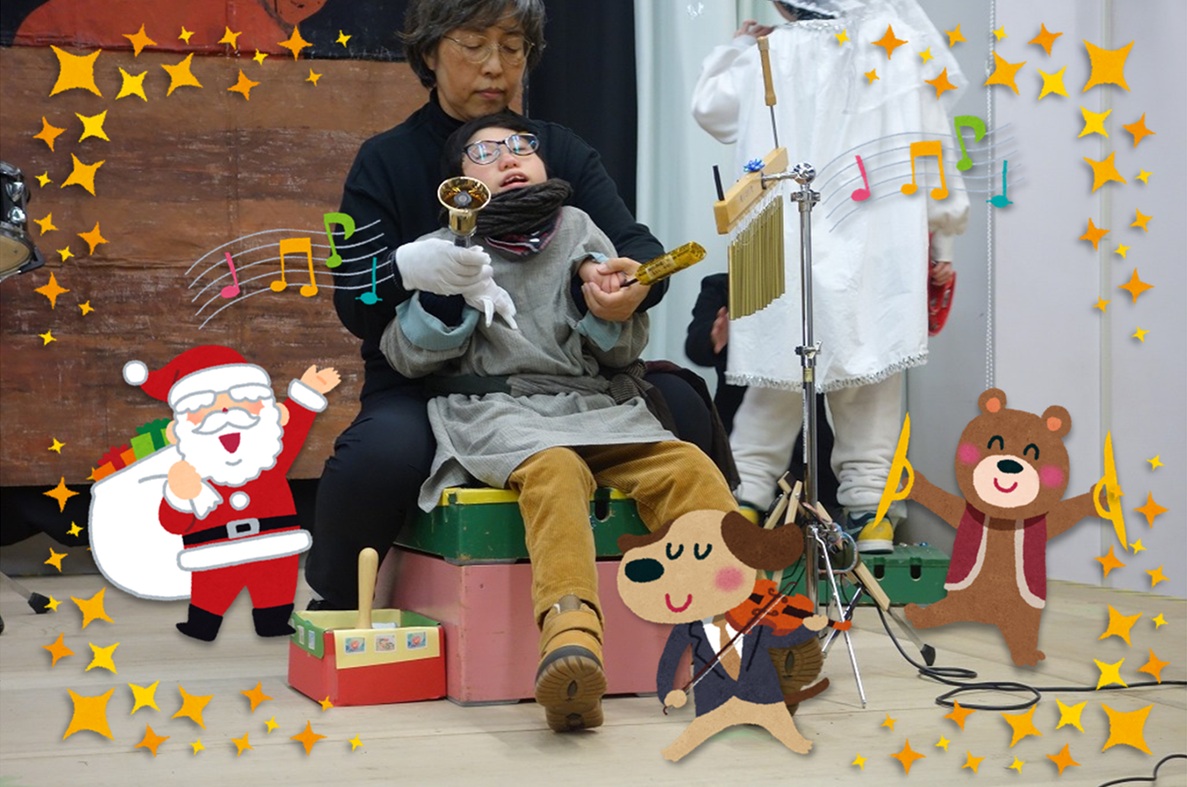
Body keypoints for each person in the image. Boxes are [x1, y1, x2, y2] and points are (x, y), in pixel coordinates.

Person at [306, 0, 717, 611]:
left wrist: (633, 287)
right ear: (428, 52)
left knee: (684, 404)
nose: (496, 66)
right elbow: (356, 300)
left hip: (570, 374)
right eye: (474, 45)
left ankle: (688, 594)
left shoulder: (557, 149)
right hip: (433, 379)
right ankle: (343, 602)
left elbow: (636, 247)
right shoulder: (387, 160)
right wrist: (414, 274)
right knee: (383, 455)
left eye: (512, 46)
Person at [382, 111, 743, 732]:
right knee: (554, 472)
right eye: (484, 153)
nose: (508, 158)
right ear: (456, 184)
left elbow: (620, 354)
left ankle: (741, 627)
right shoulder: (444, 247)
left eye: (521, 146)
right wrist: (445, 298)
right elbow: (405, 356)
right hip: (498, 408)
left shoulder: (579, 228)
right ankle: (570, 639)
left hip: (592, 403)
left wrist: (602, 307)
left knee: (686, 464)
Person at [691, 0, 968, 553]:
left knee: (774, 374)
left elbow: (711, 110)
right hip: (878, 237)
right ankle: (872, 513)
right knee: (871, 375)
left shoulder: (768, 53)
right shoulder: (901, 45)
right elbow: (934, 148)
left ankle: (747, 499)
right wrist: (944, 235)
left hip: (783, 233)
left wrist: (739, 46)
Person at [119, 345, 340, 641]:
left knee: (274, 588)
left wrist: (306, 395)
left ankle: (273, 620)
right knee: (211, 592)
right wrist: (179, 497)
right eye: (204, 407)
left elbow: (295, 427)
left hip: (273, 541)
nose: (225, 413)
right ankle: (202, 623)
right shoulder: (188, 474)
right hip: (212, 547)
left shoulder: (269, 456)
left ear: (273, 413)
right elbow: (173, 523)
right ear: (177, 431)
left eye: (241, 401)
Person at [685, 271, 839, 515]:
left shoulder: (816, 289)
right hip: (734, 433)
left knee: (812, 511)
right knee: (734, 507)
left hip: (806, 439)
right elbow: (695, 347)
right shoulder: (722, 286)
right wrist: (715, 338)